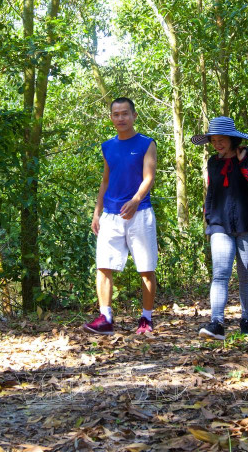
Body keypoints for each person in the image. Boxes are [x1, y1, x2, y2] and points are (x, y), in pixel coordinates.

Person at [83, 98, 158, 336]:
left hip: (140, 212)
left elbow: (149, 176)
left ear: (134, 116)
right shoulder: (108, 146)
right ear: (111, 118)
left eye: (125, 113)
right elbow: (106, 180)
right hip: (111, 214)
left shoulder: (146, 143)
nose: (120, 118)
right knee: (104, 266)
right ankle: (105, 318)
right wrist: (97, 212)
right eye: (116, 114)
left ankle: (146, 318)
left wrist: (136, 200)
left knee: (146, 268)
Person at [192, 117, 248, 340]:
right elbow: (211, 192)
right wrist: (208, 218)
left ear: (232, 139)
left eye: (221, 140)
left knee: (246, 275)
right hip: (219, 223)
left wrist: (244, 163)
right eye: (213, 140)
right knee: (220, 274)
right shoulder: (213, 162)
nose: (217, 144)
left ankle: (247, 321)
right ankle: (217, 323)